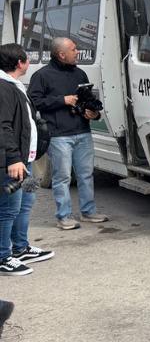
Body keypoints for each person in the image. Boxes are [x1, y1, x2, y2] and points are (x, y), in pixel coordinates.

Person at [28, 37, 107, 230]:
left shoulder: (80, 74)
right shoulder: (42, 76)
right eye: (74, 49)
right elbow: (35, 102)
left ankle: (88, 212)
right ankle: (64, 216)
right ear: (61, 54)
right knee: (62, 177)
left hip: (83, 132)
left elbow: (87, 101)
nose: (78, 51)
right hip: (59, 135)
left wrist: (93, 113)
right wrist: (62, 100)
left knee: (86, 174)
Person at [1, 43, 54, 276]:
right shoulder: (3, 87)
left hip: (27, 159)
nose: (28, 63)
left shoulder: (14, 84)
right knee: (8, 208)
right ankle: (3, 257)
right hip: (13, 163)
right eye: (26, 59)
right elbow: (2, 126)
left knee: (25, 204)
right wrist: (13, 158)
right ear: (20, 62)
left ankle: (20, 247)